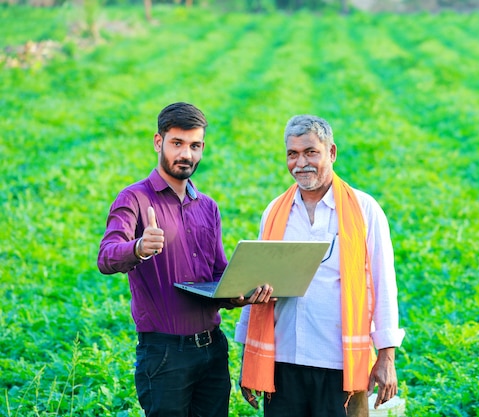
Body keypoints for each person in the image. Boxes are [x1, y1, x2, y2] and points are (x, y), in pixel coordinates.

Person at [97, 102, 273, 417]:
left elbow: (217, 275)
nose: (185, 154)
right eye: (177, 143)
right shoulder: (134, 199)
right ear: (158, 142)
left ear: (202, 147)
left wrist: (243, 293)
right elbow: (106, 256)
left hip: (213, 350)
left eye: (194, 146)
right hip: (165, 354)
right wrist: (138, 246)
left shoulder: (208, 206)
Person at [234, 115, 405, 417]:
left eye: (311, 152)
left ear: (332, 153)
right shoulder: (276, 211)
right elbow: (256, 279)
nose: (301, 163)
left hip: (340, 364)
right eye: (292, 154)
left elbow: (383, 283)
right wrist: (250, 360)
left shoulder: (365, 209)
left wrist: (386, 356)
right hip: (284, 361)